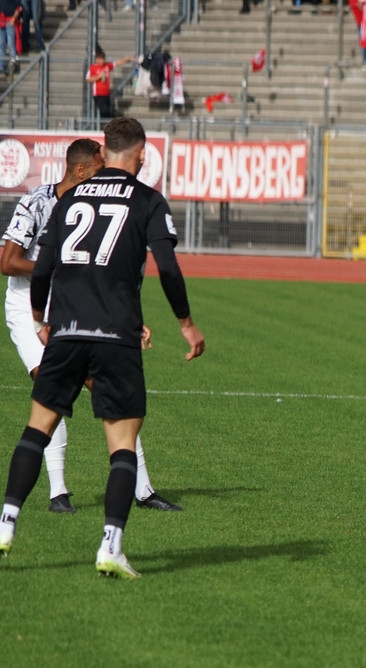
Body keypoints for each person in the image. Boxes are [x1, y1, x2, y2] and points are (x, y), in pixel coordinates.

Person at [0, 117, 206, 578]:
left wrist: (41, 320)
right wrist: (186, 323)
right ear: (141, 155)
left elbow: (45, 266)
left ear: (104, 151)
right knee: (121, 443)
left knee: (36, 428)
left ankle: (5, 523)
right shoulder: (147, 200)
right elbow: (167, 268)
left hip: (66, 329)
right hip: (114, 333)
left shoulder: (71, 198)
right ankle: (111, 544)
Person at [86, 51, 136, 121]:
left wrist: (128, 59)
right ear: (97, 59)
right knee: (104, 110)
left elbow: (117, 63)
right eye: (100, 59)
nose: (102, 61)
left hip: (106, 94)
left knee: (107, 112)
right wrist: (98, 77)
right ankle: (103, 125)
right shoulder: (93, 67)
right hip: (98, 94)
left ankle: (105, 124)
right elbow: (88, 79)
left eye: (103, 59)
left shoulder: (106, 66)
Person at [0, 0, 21, 75]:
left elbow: (19, 8)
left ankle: (12, 64)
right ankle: (1, 66)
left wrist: (13, 19)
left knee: (11, 43)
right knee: (1, 44)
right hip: (1, 20)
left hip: (10, 21)